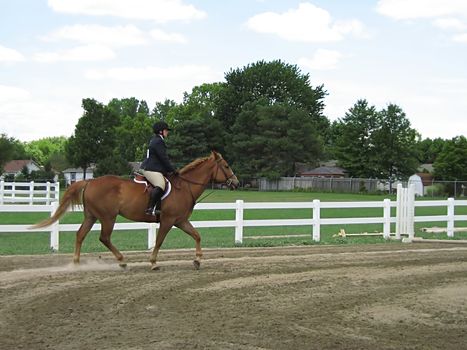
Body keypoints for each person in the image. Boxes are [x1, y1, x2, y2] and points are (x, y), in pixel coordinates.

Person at [140, 121, 177, 215]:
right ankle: (150, 208)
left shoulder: (155, 140)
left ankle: (158, 208)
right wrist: (172, 170)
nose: (167, 132)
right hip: (151, 169)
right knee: (161, 184)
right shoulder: (158, 141)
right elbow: (163, 158)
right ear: (161, 131)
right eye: (166, 130)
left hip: (153, 168)